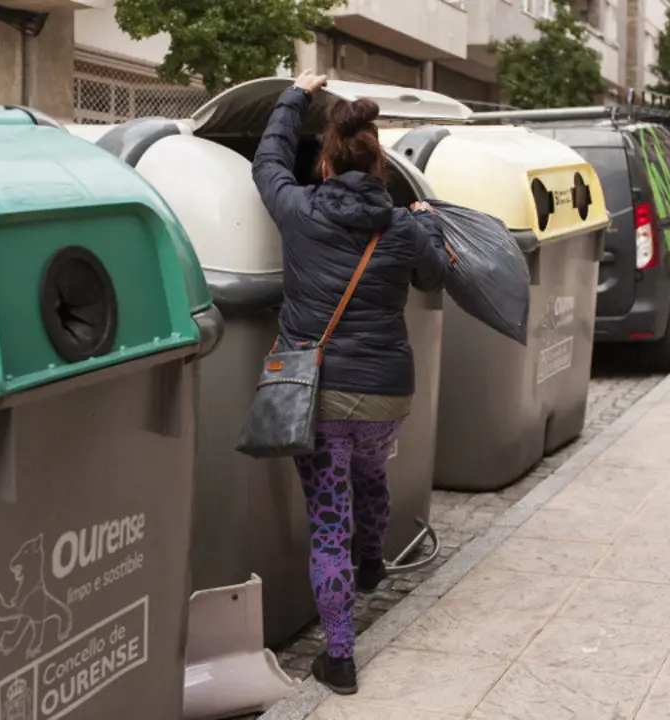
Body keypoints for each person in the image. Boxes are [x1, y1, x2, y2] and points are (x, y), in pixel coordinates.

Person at [252, 69, 450, 694]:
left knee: (327, 522)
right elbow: (435, 279)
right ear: (380, 162)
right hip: (387, 393)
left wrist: (296, 95)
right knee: (371, 473)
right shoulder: (403, 225)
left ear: (328, 161)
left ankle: (339, 656)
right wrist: (427, 219)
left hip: (320, 397)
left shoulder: (300, 209)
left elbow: (267, 160)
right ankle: (372, 558)